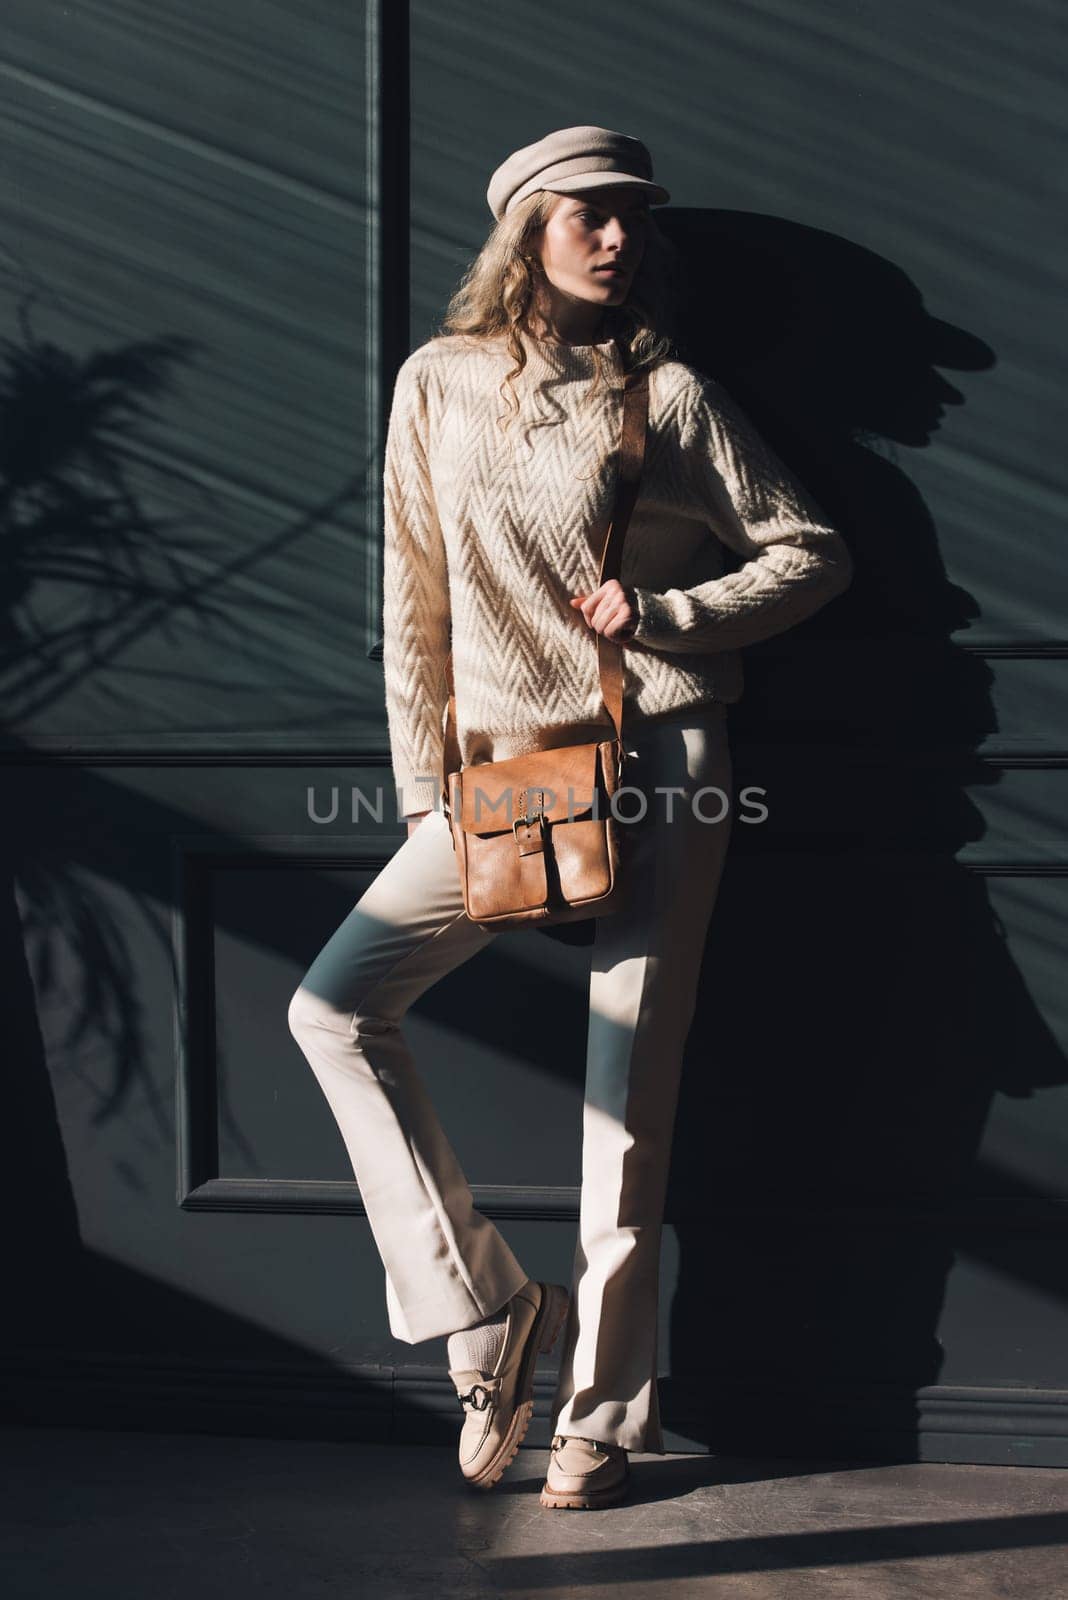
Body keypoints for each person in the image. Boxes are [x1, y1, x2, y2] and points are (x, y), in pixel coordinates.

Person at [287, 125, 853, 1510]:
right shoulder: (439, 384)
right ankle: (487, 1313)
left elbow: (812, 549)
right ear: (525, 231)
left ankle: (600, 1417)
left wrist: (670, 611)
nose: (617, 237)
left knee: (626, 1101)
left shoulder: (668, 394)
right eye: (587, 215)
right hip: (510, 773)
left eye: (631, 218)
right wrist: (431, 792)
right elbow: (412, 602)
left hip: (661, 751)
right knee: (333, 1006)